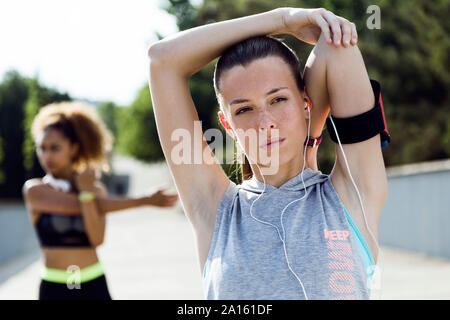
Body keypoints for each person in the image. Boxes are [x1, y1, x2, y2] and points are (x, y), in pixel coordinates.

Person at [147, 7, 389, 299]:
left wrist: (309, 139)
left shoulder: (351, 193)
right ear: (227, 125)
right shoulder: (215, 211)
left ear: (305, 102)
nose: (265, 123)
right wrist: (282, 20)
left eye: (278, 99)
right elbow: (162, 61)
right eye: (244, 109)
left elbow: (336, 46)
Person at [22, 101, 179, 300]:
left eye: (55, 148)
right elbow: (78, 206)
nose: (47, 156)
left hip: (93, 283)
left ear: (73, 148)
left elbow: (97, 239)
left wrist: (87, 193)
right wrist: (145, 200)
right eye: (41, 148)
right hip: (53, 286)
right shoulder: (36, 190)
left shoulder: (95, 189)